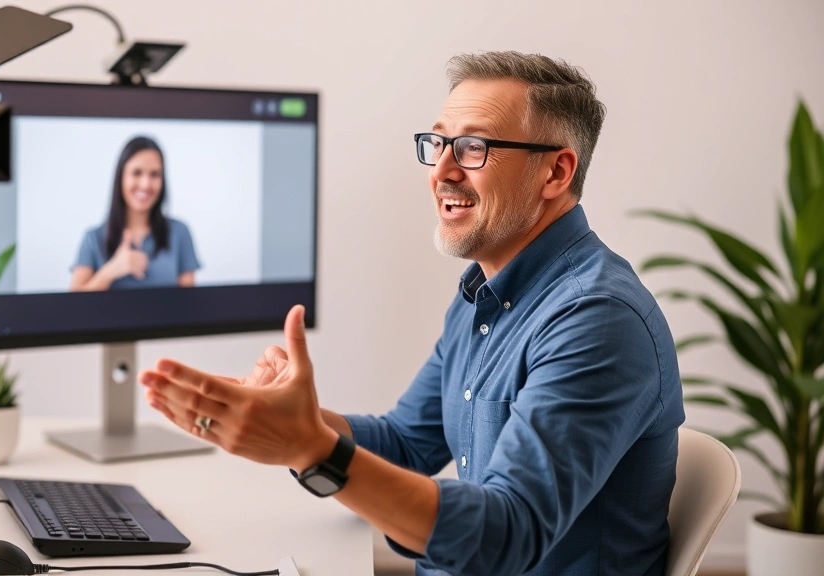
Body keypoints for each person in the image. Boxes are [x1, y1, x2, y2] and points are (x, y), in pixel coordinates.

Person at [138, 51, 685, 576]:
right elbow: (407, 444)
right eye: (438, 143)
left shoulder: (596, 319)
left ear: (556, 172)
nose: (442, 170)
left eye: (473, 148)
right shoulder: (483, 294)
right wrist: (300, 422)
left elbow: (507, 535)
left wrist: (311, 448)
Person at [70, 136, 200, 290]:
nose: (145, 184)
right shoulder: (93, 238)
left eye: (154, 174)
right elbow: (74, 305)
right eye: (136, 173)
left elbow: (189, 305)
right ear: (121, 178)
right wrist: (111, 271)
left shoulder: (179, 233)